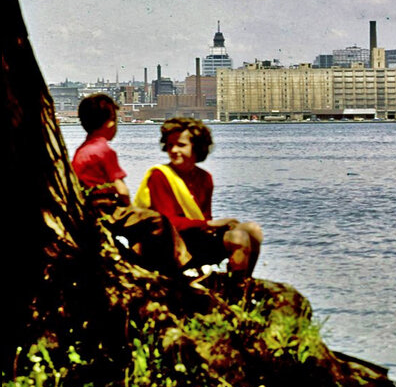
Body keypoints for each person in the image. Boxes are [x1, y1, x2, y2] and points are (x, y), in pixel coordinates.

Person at [71, 93, 192, 274]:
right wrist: (130, 207)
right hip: (107, 210)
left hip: (90, 208)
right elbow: (123, 190)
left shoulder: (82, 150)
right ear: (110, 122)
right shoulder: (104, 150)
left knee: (142, 227)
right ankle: (179, 267)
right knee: (158, 221)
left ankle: (146, 263)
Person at [134, 117, 263, 283]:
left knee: (252, 230)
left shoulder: (204, 178)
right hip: (169, 245)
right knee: (238, 238)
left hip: (194, 238)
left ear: (197, 146)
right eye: (170, 145)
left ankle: (245, 283)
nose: (173, 150)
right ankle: (235, 290)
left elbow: (203, 218)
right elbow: (166, 222)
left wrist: (211, 226)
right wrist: (210, 225)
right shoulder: (159, 176)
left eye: (181, 145)